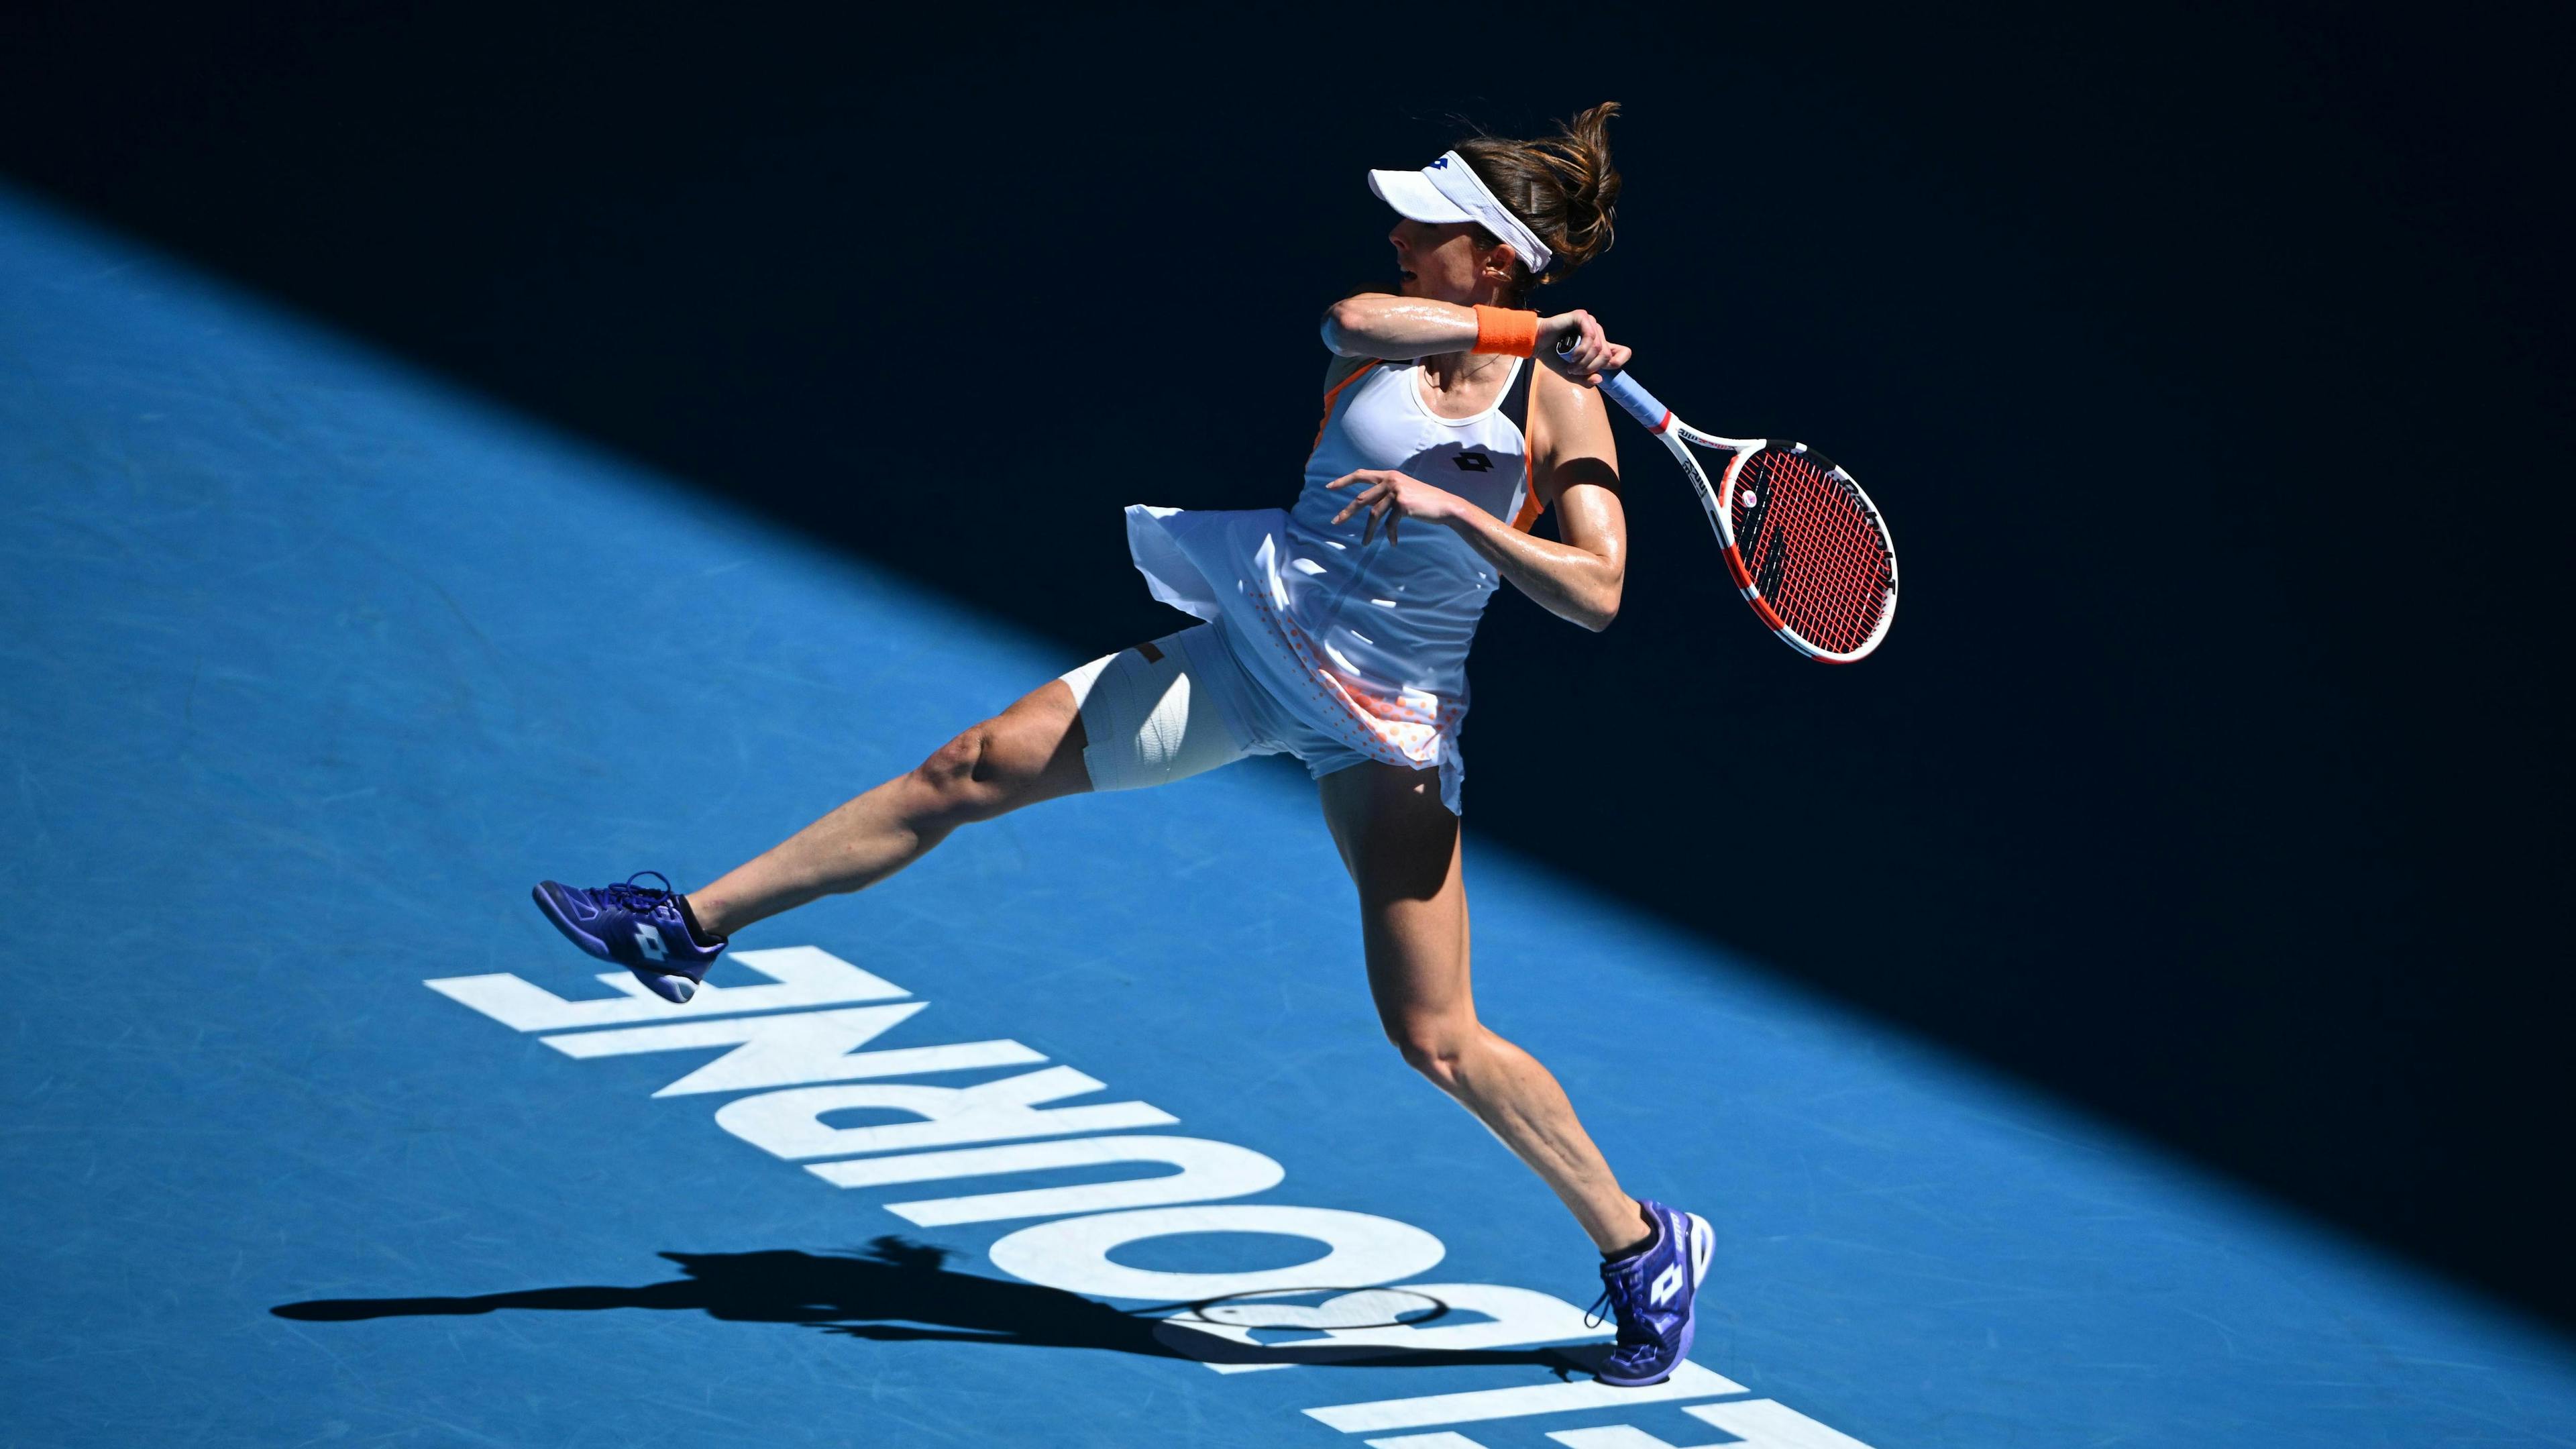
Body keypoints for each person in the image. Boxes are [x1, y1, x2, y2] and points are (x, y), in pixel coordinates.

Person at [532, 102, 1712, 1386]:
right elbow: (1347, 325)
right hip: (1253, 655)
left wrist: (1457, 511)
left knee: (1433, 1036)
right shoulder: (1405, 332)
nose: (1393, 235)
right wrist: (1523, 326)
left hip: (1388, 729)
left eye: (1422, 226)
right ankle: (686, 927)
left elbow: (1594, 593)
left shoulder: (1562, 419)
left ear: (1489, 250)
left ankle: (1643, 1244)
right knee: (969, 768)